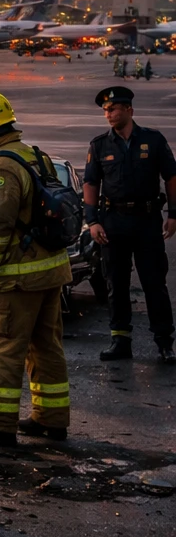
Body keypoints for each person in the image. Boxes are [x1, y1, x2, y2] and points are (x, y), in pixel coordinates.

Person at [0, 89, 72, 445]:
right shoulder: (34, 155)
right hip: (49, 271)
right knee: (45, 346)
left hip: (16, 279)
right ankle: (51, 419)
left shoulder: (1, 166)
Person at [84, 86, 176, 364]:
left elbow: (171, 177)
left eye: (113, 109)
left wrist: (173, 214)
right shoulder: (99, 145)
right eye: (106, 111)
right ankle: (120, 341)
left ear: (129, 110)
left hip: (147, 221)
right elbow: (91, 183)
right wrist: (92, 221)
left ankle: (164, 342)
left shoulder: (153, 140)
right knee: (117, 283)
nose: (108, 114)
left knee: (154, 283)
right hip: (113, 222)